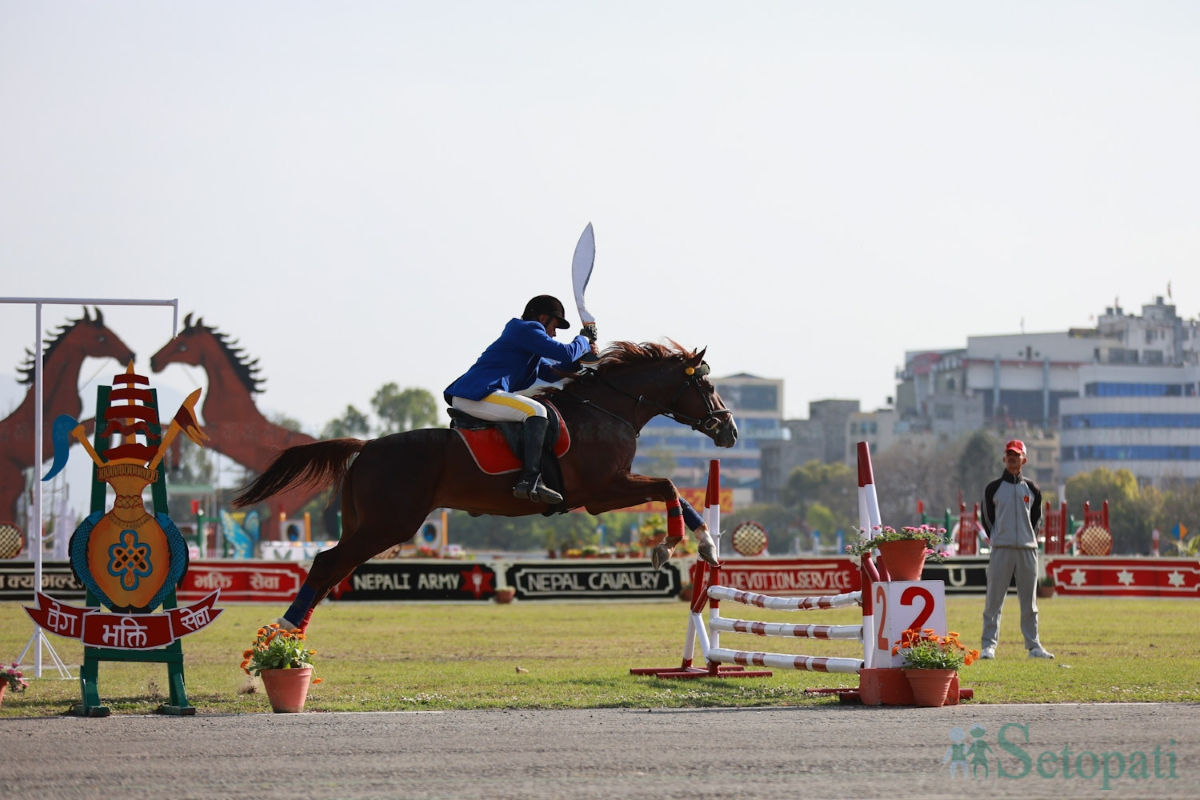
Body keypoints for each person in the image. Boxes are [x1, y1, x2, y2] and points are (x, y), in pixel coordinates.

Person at [445, 295, 598, 504]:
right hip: (477, 394)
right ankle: (530, 479)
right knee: (537, 411)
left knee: (534, 410)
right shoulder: (526, 329)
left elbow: (553, 372)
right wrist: (583, 339)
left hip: (476, 395)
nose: (553, 333)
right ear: (542, 318)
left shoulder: (528, 344)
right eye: (554, 327)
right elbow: (564, 352)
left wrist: (581, 359)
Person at [979, 439, 1054, 659]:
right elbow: (987, 519)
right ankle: (988, 646)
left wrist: (1028, 538)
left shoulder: (1032, 489)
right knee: (994, 599)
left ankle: (1034, 646)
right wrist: (999, 537)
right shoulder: (993, 488)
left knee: (1029, 602)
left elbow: (1036, 520)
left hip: (1027, 550)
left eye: (1016, 455)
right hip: (1001, 549)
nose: (1012, 458)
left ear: (1024, 459)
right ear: (1004, 458)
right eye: (1009, 454)